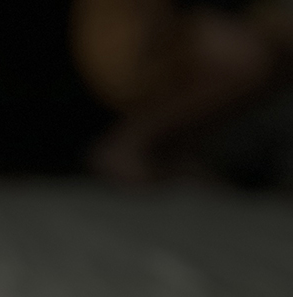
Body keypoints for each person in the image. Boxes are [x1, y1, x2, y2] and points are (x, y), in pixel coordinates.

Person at [72, 0, 293, 184]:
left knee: (276, 43)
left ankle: (173, 152)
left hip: (167, 32)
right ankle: (130, 145)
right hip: (131, 44)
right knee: (245, 56)